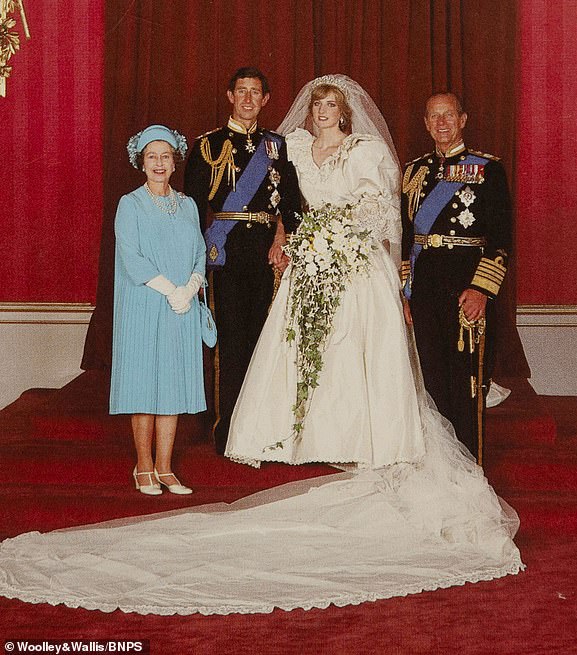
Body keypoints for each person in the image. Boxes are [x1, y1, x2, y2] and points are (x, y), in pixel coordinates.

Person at [0, 78, 523, 616]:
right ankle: (285, 437)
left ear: (346, 113)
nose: (322, 112)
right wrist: (294, 240)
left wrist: (347, 243)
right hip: (309, 260)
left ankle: (386, 442)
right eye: (317, 105)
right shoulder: (289, 148)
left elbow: (389, 218)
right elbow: (287, 202)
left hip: (364, 267)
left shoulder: (383, 155)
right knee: (296, 354)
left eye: (331, 106)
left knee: (379, 360)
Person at [184, 67, 301, 455]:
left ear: (266, 99)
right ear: (230, 96)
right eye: (241, 91)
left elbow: (290, 203)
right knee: (230, 343)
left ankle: (261, 430)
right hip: (226, 251)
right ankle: (228, 430)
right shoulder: (208, 146)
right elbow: (191, 211)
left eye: (256, 92)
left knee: (264, 342)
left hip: (267, 252)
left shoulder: (277, 147)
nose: (248, 99)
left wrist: (283, 236)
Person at [401, 92, 512, 462]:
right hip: (425, 290)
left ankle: (470, 471)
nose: (442, 123)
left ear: (463, 119)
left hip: (466, 289)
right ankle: (441, 470)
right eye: (434, 117)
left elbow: (500, 239)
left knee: (465, 385)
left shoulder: (487, 169)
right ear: (426, 123)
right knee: (432, 382)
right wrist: (406, 291)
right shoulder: (414, 171)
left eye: (448, 115)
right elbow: (406, 238)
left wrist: (481, 289)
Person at [110, 124, 207, 495]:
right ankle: (144, 466)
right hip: (145, 303)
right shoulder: (130, 204)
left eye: (165, 156)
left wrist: (191, 287)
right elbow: (131, 257)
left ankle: (166, 467)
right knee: (143, 383)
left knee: (172, 383)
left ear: (174, 160)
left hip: (180, 306)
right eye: (152, 156)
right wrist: (170, 289)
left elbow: (199, 250)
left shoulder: (187, 205)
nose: (159, 163)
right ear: (141, 161)